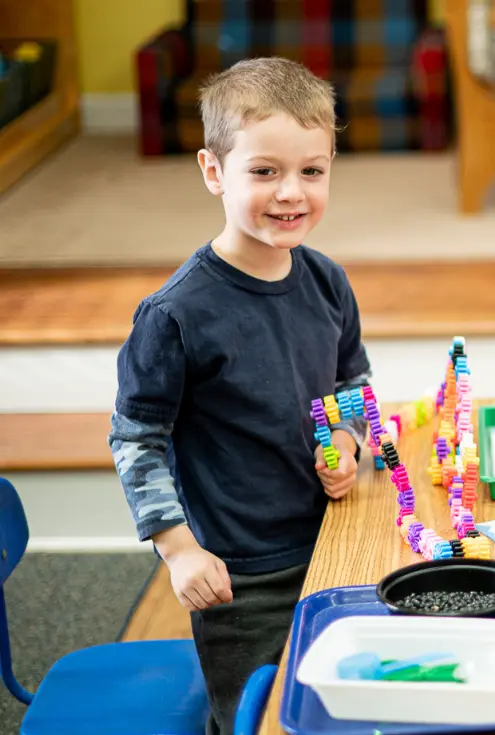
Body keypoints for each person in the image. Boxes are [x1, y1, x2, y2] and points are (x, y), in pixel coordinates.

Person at [108, 57, 371, 735]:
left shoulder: (327, 281)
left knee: (340, 704)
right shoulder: (173, 314)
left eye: (311, 170)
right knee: (258, 720)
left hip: (334, 542)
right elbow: (136, 439)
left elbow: (351, 383)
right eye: (264, 171)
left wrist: (344, 439)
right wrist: (178, 549)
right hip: (241, 576)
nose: (291, 192)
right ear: (213, 171)